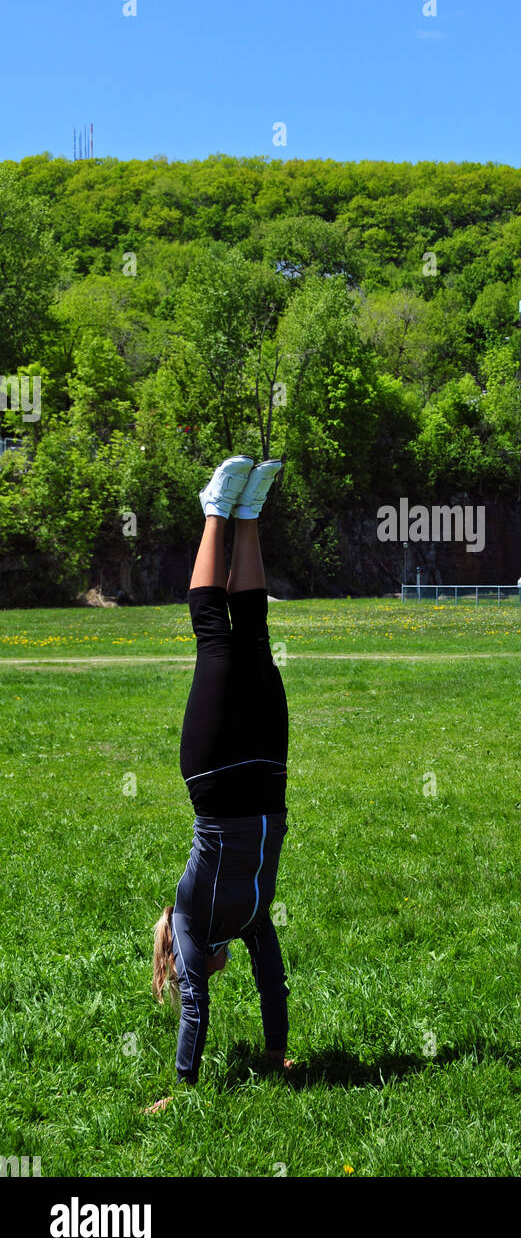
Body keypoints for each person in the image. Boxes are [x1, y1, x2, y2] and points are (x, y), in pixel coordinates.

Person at [146, 455, 292, 1113]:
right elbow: (271, 982)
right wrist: (272, 1053)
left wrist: (181, 1089)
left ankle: (215, 507)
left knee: (217, 640)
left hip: (221, 776)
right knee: (254, 637)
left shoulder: (193, 916)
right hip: (265, 776)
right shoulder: (250, 921)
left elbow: (197, 1009)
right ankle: (250, 512)